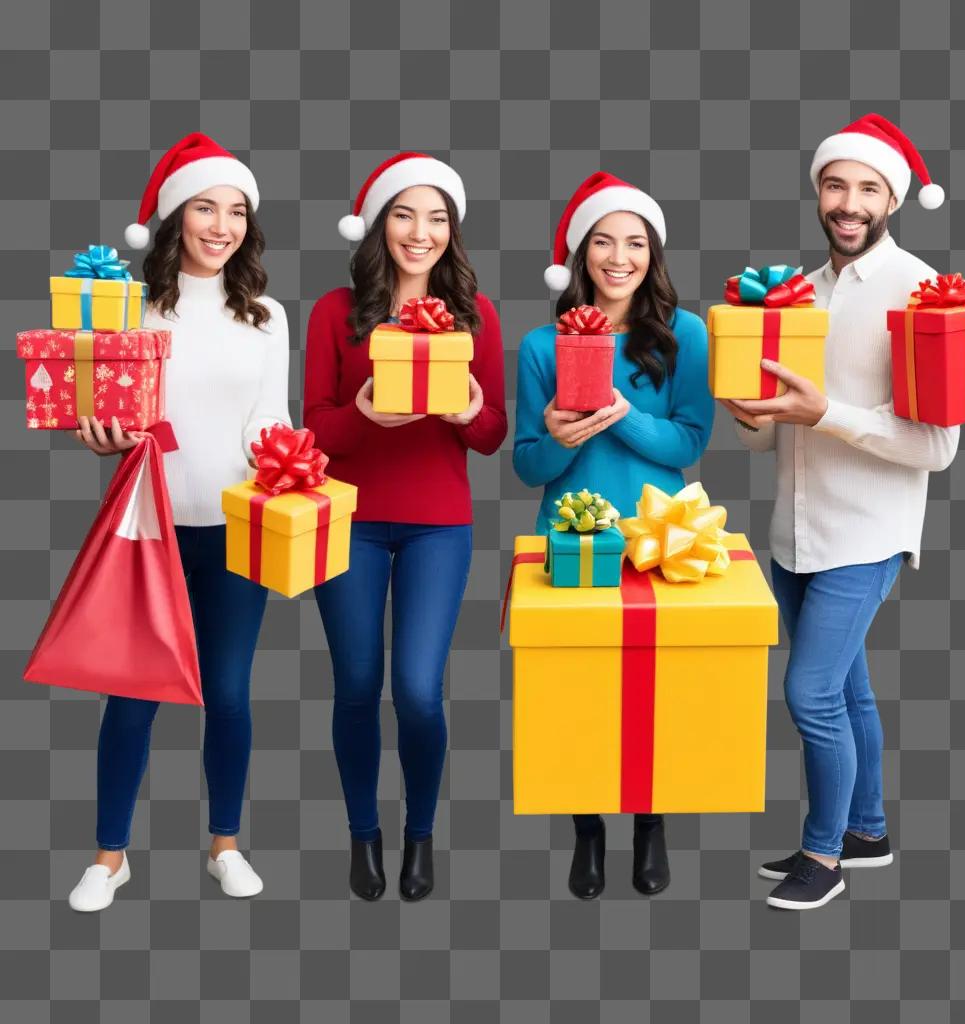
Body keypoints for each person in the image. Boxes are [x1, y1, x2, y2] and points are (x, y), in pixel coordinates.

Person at [723, 114, 959, 910]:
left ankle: (822, 858)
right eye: (835, 185)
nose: (848, 203)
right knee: (850, 692)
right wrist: (749, 414)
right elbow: (768, 439)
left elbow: (937, 450)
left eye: (867, 188)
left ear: (891, 197)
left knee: (811, 692)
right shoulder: (798, 294)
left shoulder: (922, 294)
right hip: (795, 529)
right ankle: (865, 832)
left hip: (867, 532)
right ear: (818, 193)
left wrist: (824, 412)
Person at [68, 133, 291, 912]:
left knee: (227, 692)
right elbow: (104, 409)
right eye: (205, 206)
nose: (221, 224)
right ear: (173, 217)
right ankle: (109, 857)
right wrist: (97, 431)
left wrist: (286, 460)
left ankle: (225, 845)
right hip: (147, 527)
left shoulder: (266, 316)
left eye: (236, 210)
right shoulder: (130, 310)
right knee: (131, 693)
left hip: (237, 528)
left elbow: (270, 416)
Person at [304, 152, 507, 901]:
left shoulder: (475, 315)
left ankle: (421, 832)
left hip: (437, 526)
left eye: (437, 218)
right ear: (377, 225)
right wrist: (359, 413)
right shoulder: (333, 311)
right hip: (348, 521)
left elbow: (491, 434)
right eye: (404, 214)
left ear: (452, 233)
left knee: (419, 690)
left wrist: (462, 411)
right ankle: (364, 834)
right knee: (356, 684)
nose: (420, 233)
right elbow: (316, 430)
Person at [513, 172, 714, 899]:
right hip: (572, 536)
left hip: (664, 539)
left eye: (634, 242)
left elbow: (689, 441)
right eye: (603, 240)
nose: (618, 256)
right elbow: (528, 463)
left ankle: (651, 822)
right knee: (576, 695)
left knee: (656, 694)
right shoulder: (542, 344)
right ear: (579, 254)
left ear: (652, 255)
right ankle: (588, 829)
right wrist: (564, 438)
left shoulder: (685, 334)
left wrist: (613, 408)